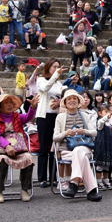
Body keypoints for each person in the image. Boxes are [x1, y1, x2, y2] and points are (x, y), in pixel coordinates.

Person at [0, 93, 39, 202]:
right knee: (1, 160)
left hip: (18, 149)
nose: (10, 105)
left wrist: (33, 107)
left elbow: (29, 117)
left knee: (28, 158)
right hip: (0, 150)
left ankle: (25, 189)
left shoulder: (17, 117)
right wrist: (7, 146)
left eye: (11, 103)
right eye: (6, 103)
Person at [52, 89, 102, 201]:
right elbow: (55, 137)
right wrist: (65, 133)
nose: (72, 101)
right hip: (66, 151)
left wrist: (84, 131)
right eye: (69, 99)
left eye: (74, 98)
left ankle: (74, 182)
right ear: (65, 103)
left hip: (85, 147)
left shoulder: (84, 115)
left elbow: (94, 132)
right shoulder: (60, 117)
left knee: (79, 151)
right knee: (81, 156)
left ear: (78, 101)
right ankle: (91, 191)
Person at [35, 58, 66, 187]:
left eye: (58, 67)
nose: (56, 69)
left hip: (56, 117)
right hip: (43, 116)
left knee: (55, 147)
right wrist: (54, 76)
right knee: (44, 146)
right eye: (54, 66)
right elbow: (45, 88)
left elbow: (65, 96)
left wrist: (59, 102)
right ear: (48, 67)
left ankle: (53, 177)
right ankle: (42, 178)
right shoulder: (41, 80)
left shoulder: (59, 84)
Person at [93, 104, 112, 190]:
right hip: (101, 146)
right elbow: (101, 122)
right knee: (100, 165)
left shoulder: (109, 124)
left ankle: (106, 180)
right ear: (99, 113)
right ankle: (99, 181)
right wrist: (108, 116)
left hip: (108, 145)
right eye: (106, 112)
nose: (109, 113)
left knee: (107, 165)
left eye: (109, 111)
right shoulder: (100, 122)